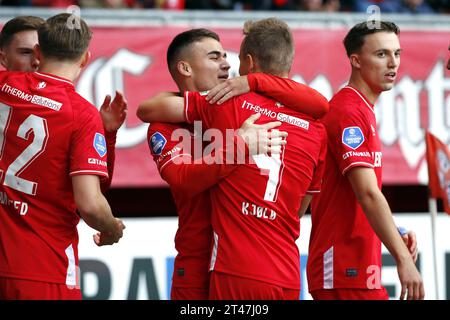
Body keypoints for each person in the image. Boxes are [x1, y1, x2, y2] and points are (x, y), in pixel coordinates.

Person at [138, 17, 328, 300]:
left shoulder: (230, 105)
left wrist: (254, 82)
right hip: (199, 265)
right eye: (215, 57)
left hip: (233, 264)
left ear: (248, 63)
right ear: (185, 67)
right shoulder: (169, 124)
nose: (227, 65)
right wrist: (239, 145)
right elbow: (181, 176)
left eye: (229, 57)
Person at [0, 13, 125, 300]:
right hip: (43, 265)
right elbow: (91, 204)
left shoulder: (4, 85)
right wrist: (112, 229)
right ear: (85, 59)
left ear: (39, 53)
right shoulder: (82, 115)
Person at [306, 20, 424, 300]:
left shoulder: (360, 108)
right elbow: (368, 193)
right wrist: (404, 259)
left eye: (397, 53)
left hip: (356, 271)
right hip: (344, 270)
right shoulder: (348, 111)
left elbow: (354, 194)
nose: (392, 63)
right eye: (381, 54)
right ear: (355, 60)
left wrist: (394, 231)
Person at [0, 15, 127, 191]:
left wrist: (106, 135)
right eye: (25, 52)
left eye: (44, 52)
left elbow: (95, 189)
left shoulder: (75, 115)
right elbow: (91, 202)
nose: (36, 61)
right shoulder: (80, 113)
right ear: (3, 59)